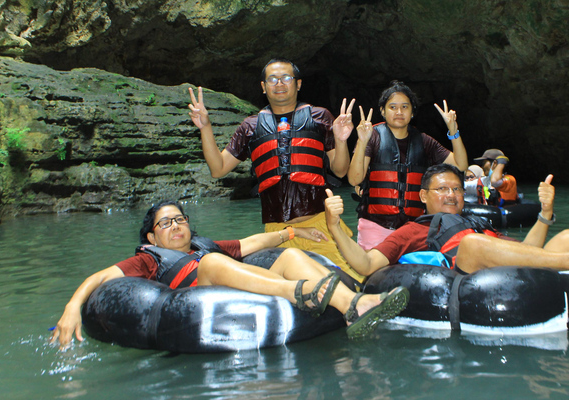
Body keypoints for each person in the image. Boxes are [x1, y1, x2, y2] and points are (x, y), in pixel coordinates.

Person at [324, 163, 569, 311]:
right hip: (466, 270)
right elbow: (366, 264)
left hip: (504, 260)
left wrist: (545, 214)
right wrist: (335, 228)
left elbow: (525, 253)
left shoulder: (475, 222)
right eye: (441, 190)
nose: (451, 195)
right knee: (471, 245)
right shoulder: (411, 230)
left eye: (456, 189)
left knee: (568, 235)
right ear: (423, 196)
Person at [50, 201, 410, 347]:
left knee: (288, 258)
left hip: (248, 286)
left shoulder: (205, 245)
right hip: (198, 298)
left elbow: (253, 241)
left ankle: (353, 305)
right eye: (166, 223)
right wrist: (71, 308)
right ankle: (301, 293)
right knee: (211, 264)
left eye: (180, 219)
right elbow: (100, 277)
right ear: (151, 236)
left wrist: (292, 233)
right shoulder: (148, 262)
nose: (176, 226)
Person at [188, 58, 364, 281]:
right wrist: (205, 127)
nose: (279, 84)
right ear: (263, 86)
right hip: (277, 231)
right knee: (286, 291)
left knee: (347, 280)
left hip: (321, 224)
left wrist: (340, 140)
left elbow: (340, 171)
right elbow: (218, 169)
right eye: (272, 79)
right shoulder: (250, 126)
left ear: (298, 84)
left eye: (286, 78)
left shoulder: (320, 117)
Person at [347, 81, 469, 250]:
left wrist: (453, 131)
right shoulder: (372, 137)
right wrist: (362, 141)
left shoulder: (424, 141)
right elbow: (354, 179)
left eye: (405, 107)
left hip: (413, 228)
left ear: (412, 112)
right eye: (392, 107)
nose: (399, 112)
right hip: (376, 225)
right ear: (382, 111)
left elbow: (460, 165)